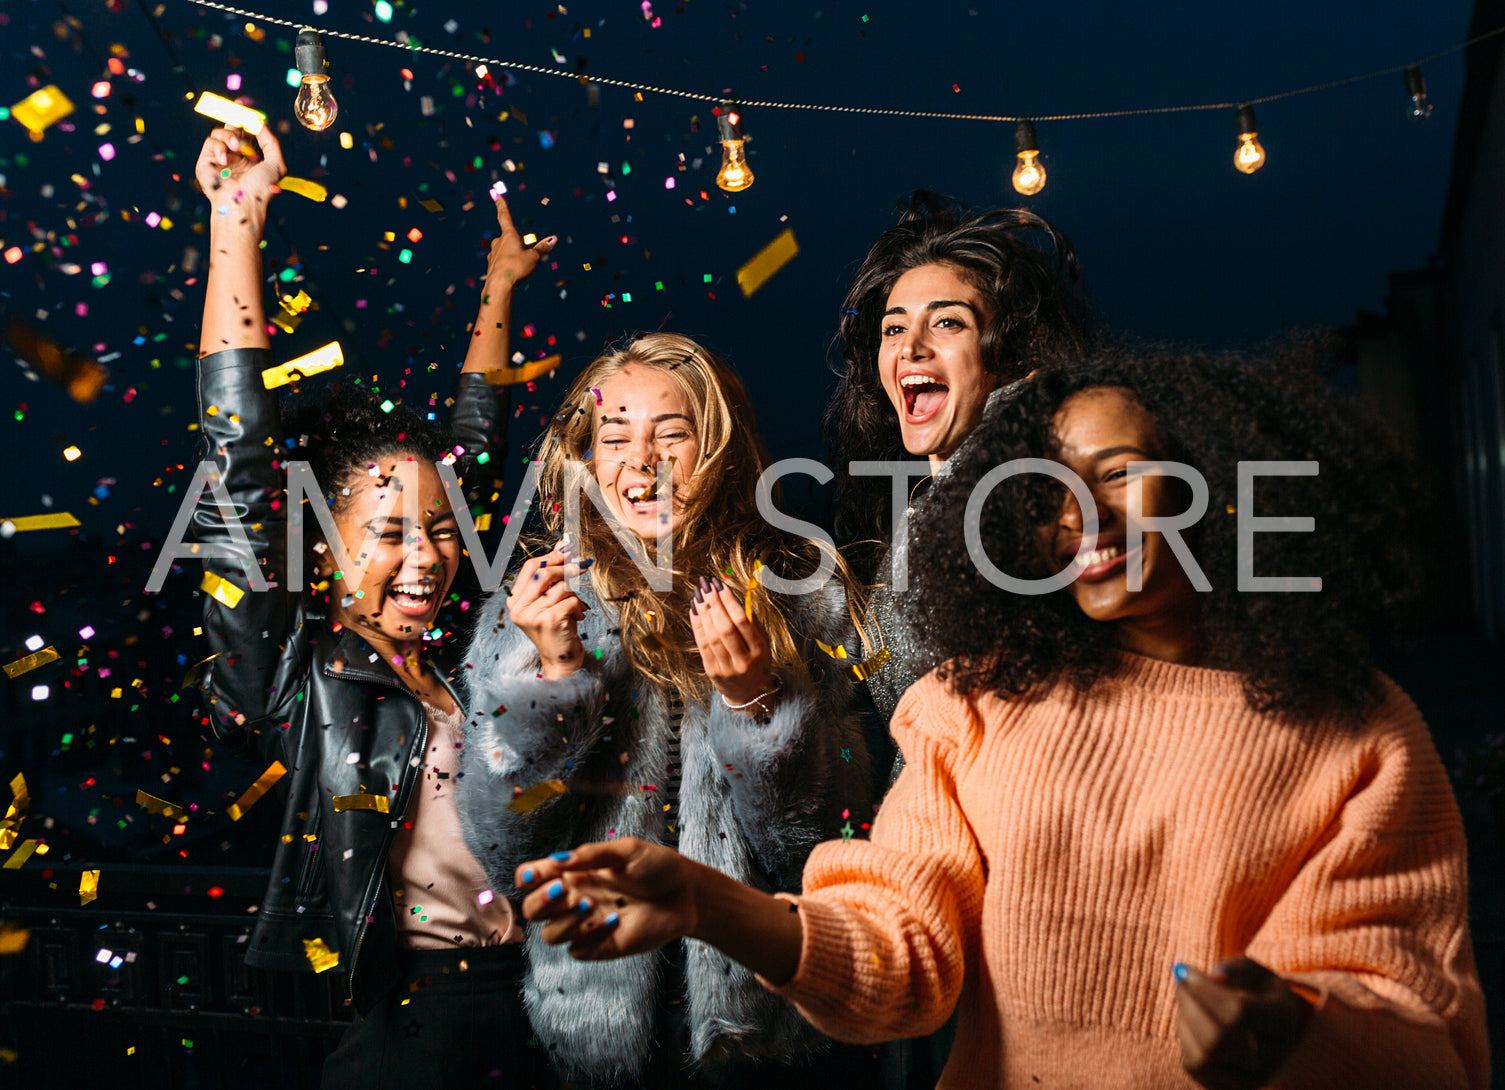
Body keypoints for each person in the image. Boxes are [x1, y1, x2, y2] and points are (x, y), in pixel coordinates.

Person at [512, 348, 1490, 1090]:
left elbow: (1424, 1038)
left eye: (1115, 472)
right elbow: (901, 956)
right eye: (1048, 494)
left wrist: (1298, 1032)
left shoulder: (1354, 731)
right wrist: (711, 905)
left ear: (1218, 482)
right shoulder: (971, 706)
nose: (1082, 518)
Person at [189, 123, 556, 1087]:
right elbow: (237, 473)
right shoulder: (293, 676)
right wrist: (238, 221)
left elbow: (472, 459)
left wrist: (499, 289)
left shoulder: (453, 663)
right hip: (416, 1025)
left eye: (439, 533)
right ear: (318, 546)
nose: (427, 558)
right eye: (388, 533)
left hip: (541, 1001)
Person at [456, 332, 878, 1088]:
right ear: (585, 462)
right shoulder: (532, 610)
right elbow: (507, 856)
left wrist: (759, 705)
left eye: (671, 434)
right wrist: (552, 678)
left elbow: (822, 851)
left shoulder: (800, 600)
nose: (642, 461)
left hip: (772, 1031)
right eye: (614, 437)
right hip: (595, 1036)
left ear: (716, 448)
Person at [824, 191, 1092, 731]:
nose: (911, 347)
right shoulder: (920, 516)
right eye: (893, 329)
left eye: (947, 323)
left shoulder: (1033, 494)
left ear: (1010, 352)